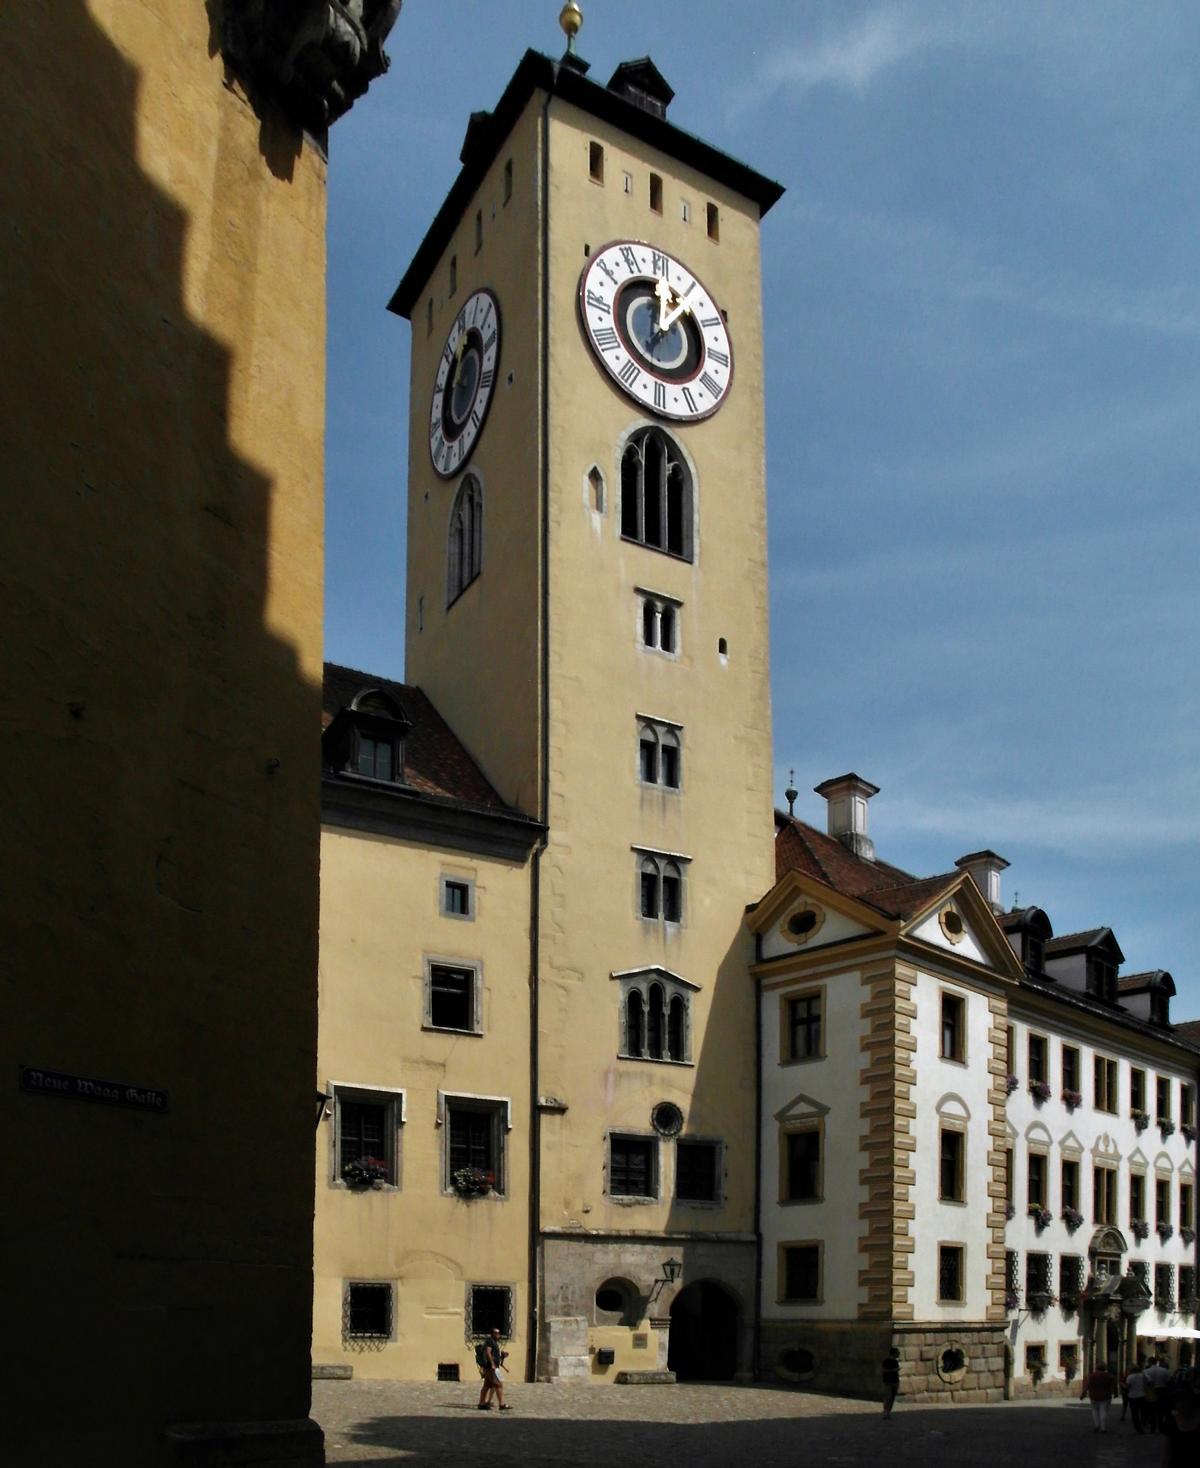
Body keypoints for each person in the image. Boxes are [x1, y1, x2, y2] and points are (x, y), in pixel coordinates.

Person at [1160, 1367, 1200, 1466]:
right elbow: (1167, 1454)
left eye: (1184, 1399)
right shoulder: (1171, 1421)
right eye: (1177, 1400)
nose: (1181, 1404)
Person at [476, 1327, 511, 1412]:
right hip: (492, 1367)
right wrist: (492, 1364)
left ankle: (481, 1403)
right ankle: (501, 1404)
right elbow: (488, 1352)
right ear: (492, 1334)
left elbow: (493, 1355)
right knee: (499, 1385)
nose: (498, 1334)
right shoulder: (490, 1341)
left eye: (498, 1333)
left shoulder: (493, 1342)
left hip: (491, 1367)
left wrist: (502, 1356)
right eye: (496, 1333)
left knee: (487, 1385)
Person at [1081, 1360, 1117, 1433]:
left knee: (1094, 1411)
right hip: (1106, 1396)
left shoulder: (1092, 1375)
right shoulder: (1109, 1376)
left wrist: (1083, 1394)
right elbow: (1114, 1386)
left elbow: (1087, 1385)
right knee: (1103, 1411)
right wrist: (1116, 1393)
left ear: (1096, 1367)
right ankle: (1103, 1428)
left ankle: (1096, 1425)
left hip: (1094, 1395)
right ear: (1105, 1368)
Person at [1145, 1355, 1171, 1432]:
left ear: (1149, 1362)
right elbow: (1168, 1381)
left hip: (1151, 1391)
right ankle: (1160, 1426)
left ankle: (1153, 1427)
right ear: (1156, 1362)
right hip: (1162, 1391)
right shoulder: (1164, 1370)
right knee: (1161, 1410)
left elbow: (1145, 1383)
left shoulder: (1146, 1371)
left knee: (1151, 1410)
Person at [1127, 1359, 1148, 1433]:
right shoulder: (1143, 1376)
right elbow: (1147, 1384)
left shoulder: (1130, 1377)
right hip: (1142, 1395)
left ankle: (1137, 1427)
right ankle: (1143, 1424)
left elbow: (1128, 1387)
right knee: (1143, 1412)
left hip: (1133, 1396)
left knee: (1134, 1413)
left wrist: (1123, 1385)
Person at [881, 1346, 900, 1417]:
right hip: (888, 1382)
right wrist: (893, 1370)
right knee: (888, 1397)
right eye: (897, 1353)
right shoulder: (886, 1361)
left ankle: (888, 1412)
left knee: (892, 1398)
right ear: (894, 1353)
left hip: (895, 1381)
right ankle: (885, 1411)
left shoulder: (895, 1361)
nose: (899, 1354)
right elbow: (883, 1370)